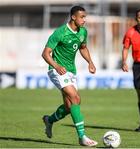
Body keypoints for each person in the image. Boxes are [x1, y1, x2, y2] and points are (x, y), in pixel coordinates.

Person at [41, 5, 98, 146]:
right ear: (73, 17)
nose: (84, 20)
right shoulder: (60, 32)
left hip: (71, 71)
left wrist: (90, 61)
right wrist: (56, 66)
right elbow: (45, 53)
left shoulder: (83, 32)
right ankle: (82, 137)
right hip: (56, 70)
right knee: (74, 97)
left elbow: (83, 48)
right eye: (82, 17)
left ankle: (49, 120)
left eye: (85, 17)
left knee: (70, 106)